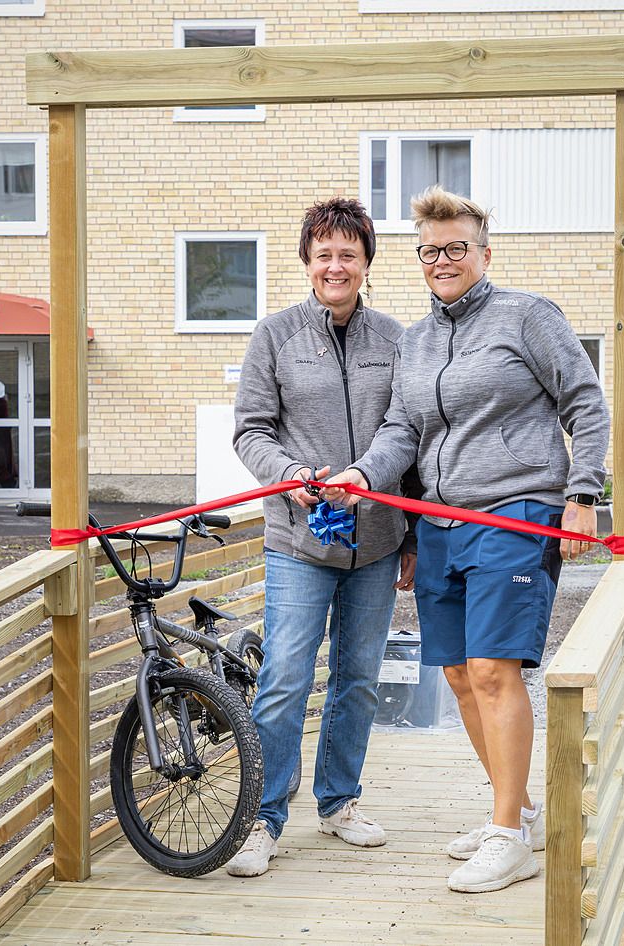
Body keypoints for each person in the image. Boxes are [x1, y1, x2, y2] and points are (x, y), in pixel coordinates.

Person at [325, 186, 610, 894]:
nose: (443, 260)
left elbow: (585, 401)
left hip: (514, 513)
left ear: (484, 252)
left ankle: (507, 835)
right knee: (456, 676)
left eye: (457, 247)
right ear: (418, 258)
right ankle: (518, 814)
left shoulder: (528, 316)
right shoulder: (414, 342)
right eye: (430, 250)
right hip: (442, 521)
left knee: (493, 671)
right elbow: (402, 432)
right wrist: (363, 474)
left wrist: (583, 495)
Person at [228, 197, 417, 877]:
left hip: (376, 542)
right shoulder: (273, 336)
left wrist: (380, 491)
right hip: (299, 539)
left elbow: (407, 434)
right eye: (324, 253)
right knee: (282, 676)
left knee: (359, 678)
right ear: (307, 260)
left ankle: (338, 803)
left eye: (349, 253)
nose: (336, 265)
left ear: (367, 262)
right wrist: (288, 475)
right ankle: (263, 816)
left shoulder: (397, 339)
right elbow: (250, 429)